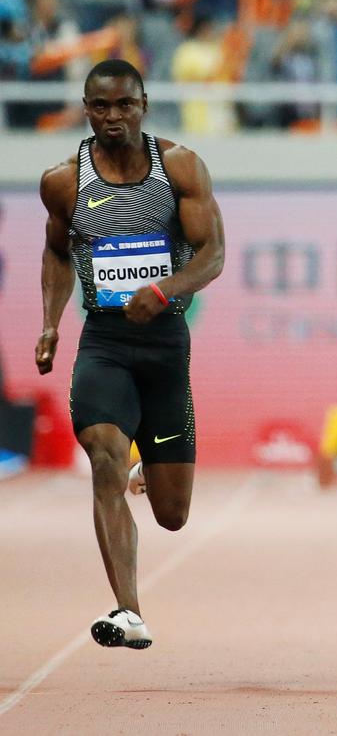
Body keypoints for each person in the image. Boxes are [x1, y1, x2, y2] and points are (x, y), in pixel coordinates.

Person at [36, 59, 225, 649]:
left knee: (172, 515)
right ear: (86, 108)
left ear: (143, 103)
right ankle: (128, 610)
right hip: (106, 343)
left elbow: (212, 253)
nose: (112, 116)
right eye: (100, 106)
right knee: (104, 457)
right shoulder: (64, 180)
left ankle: (153, 469)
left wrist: (166, 289)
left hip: (166, 345)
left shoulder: (180, 167)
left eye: (124, 105)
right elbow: (58, 255)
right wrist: (49, 324)